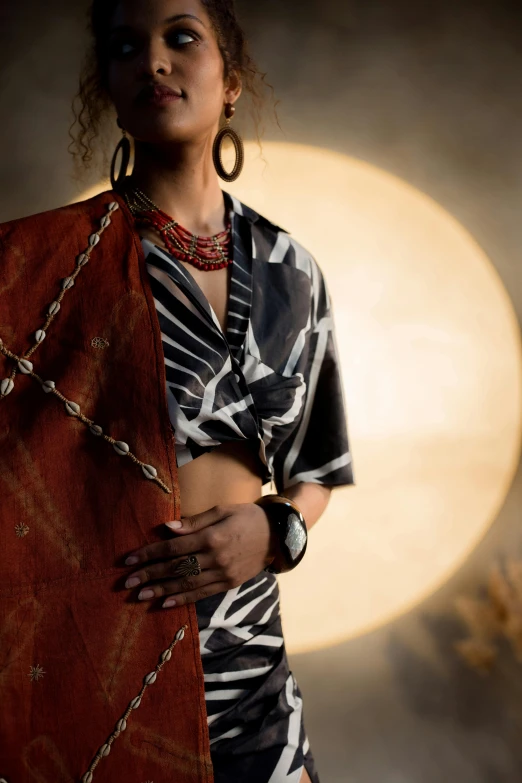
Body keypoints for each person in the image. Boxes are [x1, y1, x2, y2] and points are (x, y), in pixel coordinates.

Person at [0, 1, 354, 781]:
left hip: (249, 663)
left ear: (231, 79)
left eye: (180, 38)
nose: (153, 61)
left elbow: (317, 466)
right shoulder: (42, 264)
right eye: (127, 47)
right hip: (103, 649)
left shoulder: (292, 270)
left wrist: (277, 531)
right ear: (110, 84)